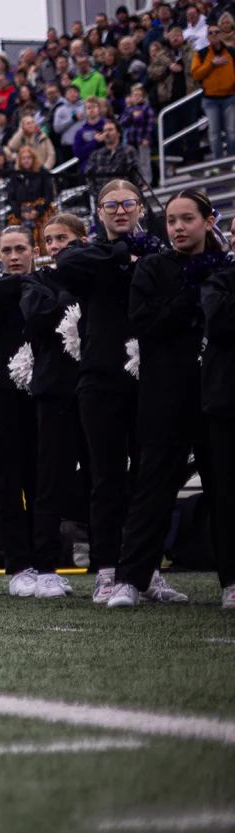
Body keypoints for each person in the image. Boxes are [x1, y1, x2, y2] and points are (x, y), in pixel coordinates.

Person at [105, 191, 224, 608]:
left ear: (208, 222)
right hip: (164, 397)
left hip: (217, 398)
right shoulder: (153, 268)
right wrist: (190, 299)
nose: (177, 227)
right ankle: (130, 581)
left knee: (225, 488)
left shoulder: (225, 270)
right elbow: (144, 321)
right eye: (171, 219)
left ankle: (231, 583)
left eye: (187, 218)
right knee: (151, 492)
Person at [55, 179, 150, 603]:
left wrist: (134, 253)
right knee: (106, 478)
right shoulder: (86, 253)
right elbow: (68, 265)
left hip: (152, 379)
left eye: (128, 203)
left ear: (141, 208)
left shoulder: (158, 251)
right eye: (110, 205)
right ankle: (107, 571)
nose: (119, 210)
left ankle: (142, 571)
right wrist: (120, 252)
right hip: (99, 379)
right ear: (98, 213)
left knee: (147, 478)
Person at [0, 227, 57, 596]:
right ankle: (19, 566)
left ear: (34, 250)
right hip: (3, 397)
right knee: (5, 482)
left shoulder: (46, 282)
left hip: (43, 395)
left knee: (43, 481)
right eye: (6, 250)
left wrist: (34, 285)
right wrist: (31, 285)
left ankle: (46, 567)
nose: (13, 256)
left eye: (20, 249)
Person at [19, 213, 88, 596]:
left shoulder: (96, 274)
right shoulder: (37, 280)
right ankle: (45, 568)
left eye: (63, 237)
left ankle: (114, 568)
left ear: (82, 238)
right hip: (54, 390)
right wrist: (73, 295)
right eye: (49, 239)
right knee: (51, 480)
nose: (55, 245)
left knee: (105, 476)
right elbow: (37, 315)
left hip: (98, 388)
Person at [199, 243, 235, 610]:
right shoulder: (217, 280)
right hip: (225, 400)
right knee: (226, 494)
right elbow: (221, 322)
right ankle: (232, 580)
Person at [191, 16, 235, 159]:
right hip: (210, 99)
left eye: (217, 32)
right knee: (214, 133)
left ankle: (232, 160)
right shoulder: (202, 54)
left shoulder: (231, 52)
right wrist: (212, 64)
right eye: (211, 33)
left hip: (230, 96)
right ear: (208, 37)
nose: (214, 35)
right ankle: (218, 163)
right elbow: (196, 74)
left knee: (232, 131)